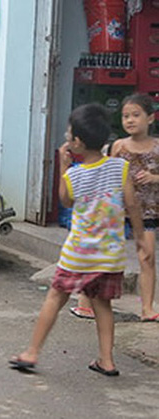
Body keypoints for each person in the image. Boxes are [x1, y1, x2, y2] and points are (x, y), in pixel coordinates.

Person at [10, 103, 149, 376]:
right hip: (110, 254)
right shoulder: (120, 167)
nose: (66, 137)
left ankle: (32, 352)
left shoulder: (74, 174)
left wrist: (63, 167)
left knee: (54, 297)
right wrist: (141, 237)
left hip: (79, 254)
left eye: (69, 134)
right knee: (103, 305)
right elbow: (132, 205)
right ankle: (107, 360)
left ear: (78, 143)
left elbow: (65, 200)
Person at [111, 93, 159, 322]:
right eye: (125, 116)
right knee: (107, 256)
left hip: (148, 211)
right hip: (119, 210)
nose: (129, 120)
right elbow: (108, 173)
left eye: (135, 115)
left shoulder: (158, 146)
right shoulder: (119, 146)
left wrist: (153, 178)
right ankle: (87, 302)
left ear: (150, 118)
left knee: (147, 258)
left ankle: (147, 308)